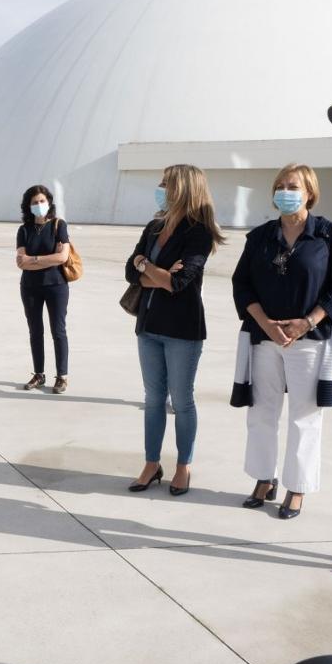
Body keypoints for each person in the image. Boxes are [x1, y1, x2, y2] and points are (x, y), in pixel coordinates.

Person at [231, 164, 332, 519]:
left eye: (293, 186)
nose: (285, 191)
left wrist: (307, 322)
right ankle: (263, 478)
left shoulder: (329, 234)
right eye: (281, 186)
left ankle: (297, 486)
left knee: (304, 416)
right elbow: (242, 284)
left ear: (309, 192)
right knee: (261, 412)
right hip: (265, 337)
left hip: (310, 339)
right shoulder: (260, 237)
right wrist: (265, 324)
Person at [124, 164, 224, 496]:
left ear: (184, 189)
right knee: (153, 399)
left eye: (166, 183)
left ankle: (183, 466)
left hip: (182, 330)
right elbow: (130, 272)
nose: (161, 188)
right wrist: (155, 270)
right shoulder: (154, 227)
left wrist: (146, 266)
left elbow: (178, 283)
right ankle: (151, 464)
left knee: (181, 400)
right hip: (148, 326)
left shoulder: (198, 233)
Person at [15, 185, 71, 393]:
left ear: (49, 202)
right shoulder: (24, 230)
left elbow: (62, 257)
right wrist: (48, 259)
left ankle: (62, 376)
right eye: (34, 202)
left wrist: (34, 259)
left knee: (58, 331)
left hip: (56, 286)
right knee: (35, 331)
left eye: (42, 201)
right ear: (28, 206)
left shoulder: (58, 225)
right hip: (30, 287)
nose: (39, 205)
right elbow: (21, 262)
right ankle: (39, 374)